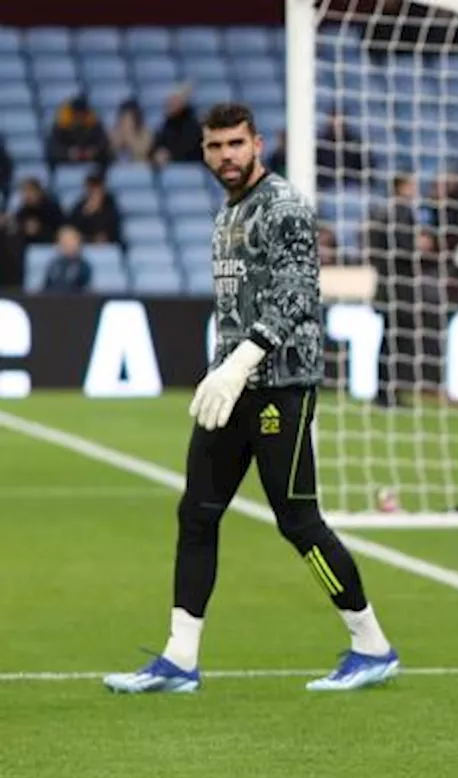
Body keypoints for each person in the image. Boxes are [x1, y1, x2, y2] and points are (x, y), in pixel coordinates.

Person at [104, 103, 399, 694]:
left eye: (236, 144)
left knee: (298, 521)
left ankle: (372, 644)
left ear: (257, 144)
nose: (226, 156)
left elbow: (296, 296)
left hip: (280, 385)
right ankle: (180, 659)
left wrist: (241, 361)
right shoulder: (228, 213)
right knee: (197, 513)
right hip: (233, 385)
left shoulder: (283, 207)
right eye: (215, 147)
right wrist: (223, 369)